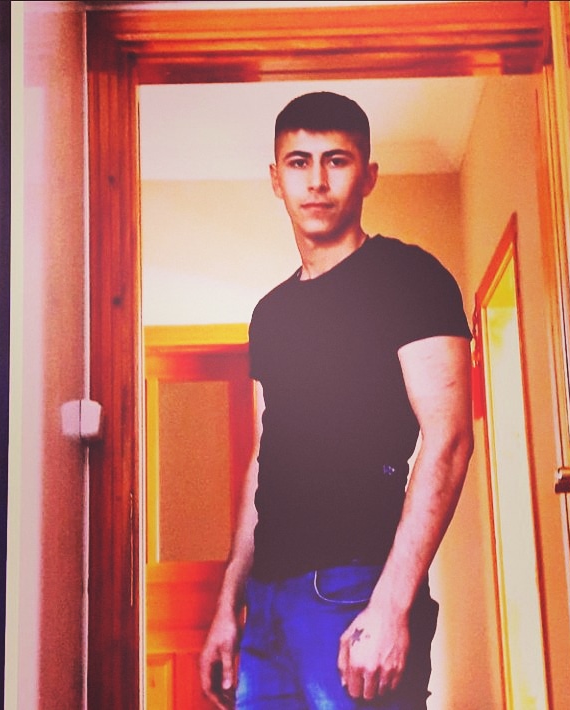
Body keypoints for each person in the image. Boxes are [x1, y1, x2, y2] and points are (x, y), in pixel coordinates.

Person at [199, 91, 474, 710]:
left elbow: (451, 439)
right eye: (299, 162)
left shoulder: (410, 276)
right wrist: (228, 604)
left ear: (368, 175)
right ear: (276, 179)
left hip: (355, 590)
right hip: (266, 602)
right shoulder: (270, 314)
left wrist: (392, 605)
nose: (317, 181)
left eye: (336, 160)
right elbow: (268, 458)